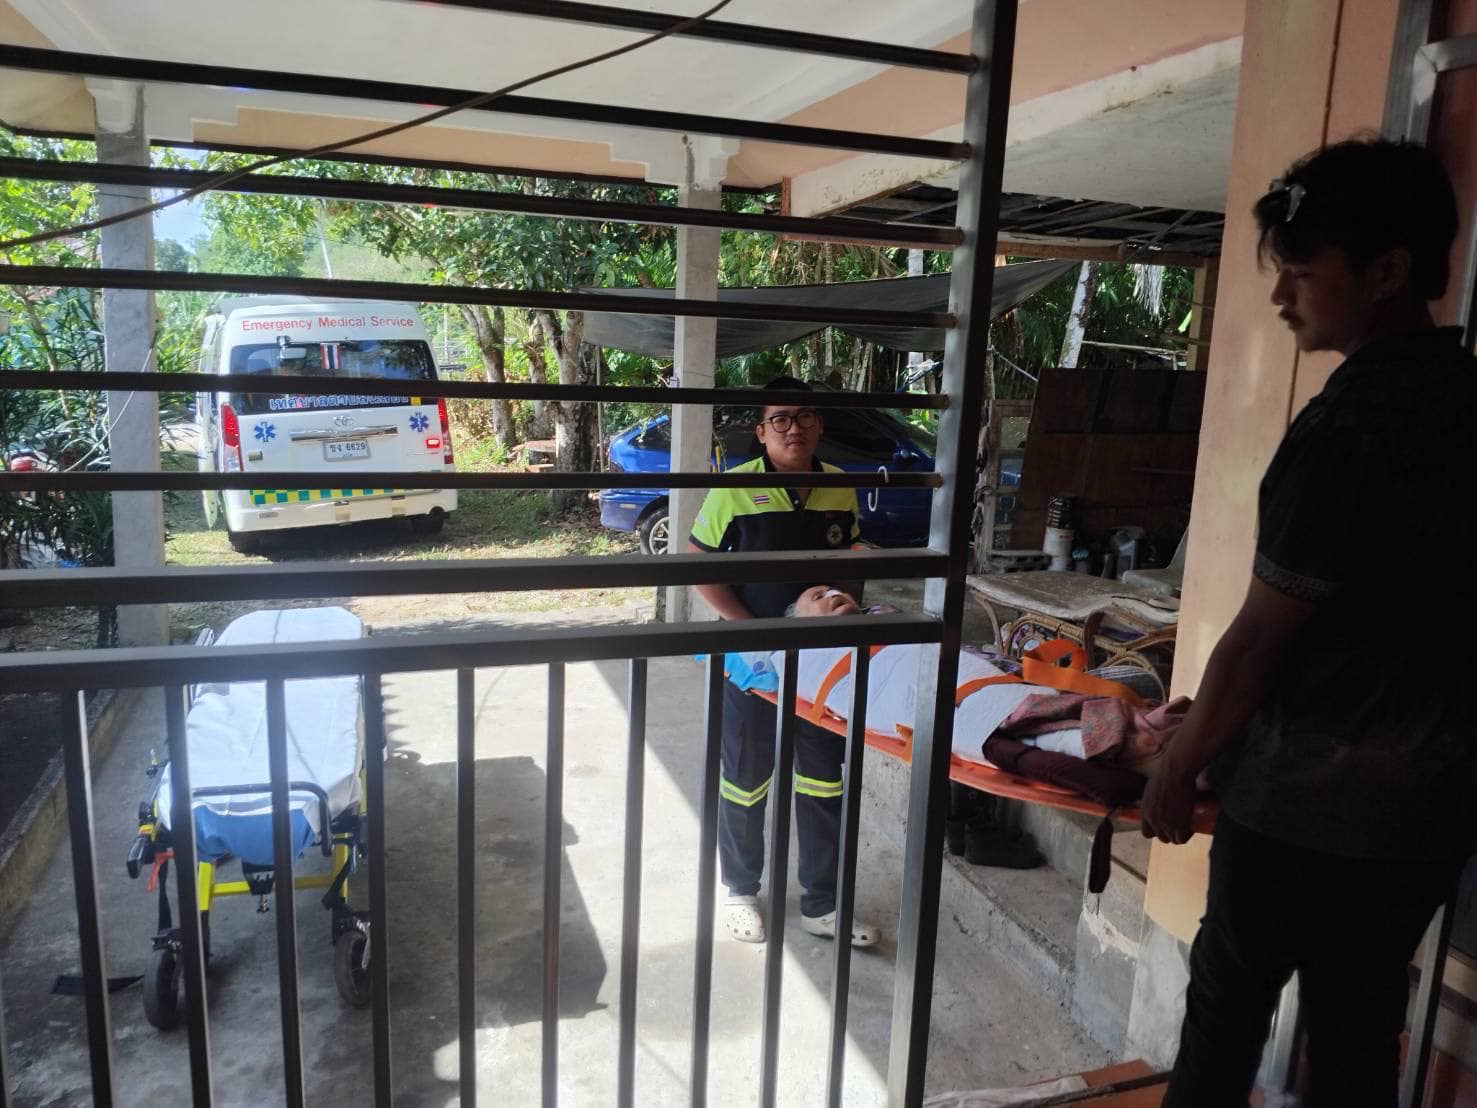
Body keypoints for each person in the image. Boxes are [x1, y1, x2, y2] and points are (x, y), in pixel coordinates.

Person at [1141, 138, 1477, 1107]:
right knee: (1357, 1040)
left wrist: (1179, 761)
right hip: (1425, 812)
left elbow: (1260, 639)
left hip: (1300, 810)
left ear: (1387, 271)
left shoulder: (1348, 428)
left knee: (1221, 1031)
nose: (1281, 295)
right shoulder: (1464, 401)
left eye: (1301, 271)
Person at [689, 378, 879, 947]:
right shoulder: (733, 489)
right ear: (761, 430)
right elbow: (700, 568)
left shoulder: (840, 486)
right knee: (745, 779)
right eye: (780, 419)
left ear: (819, 424)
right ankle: (740, 891)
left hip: (820, 665)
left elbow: (849, 556)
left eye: (804, 416)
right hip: (754, 663)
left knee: (822, 779)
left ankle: (822, 904)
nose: (793, 427)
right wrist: (753, 634)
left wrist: (847, 603)